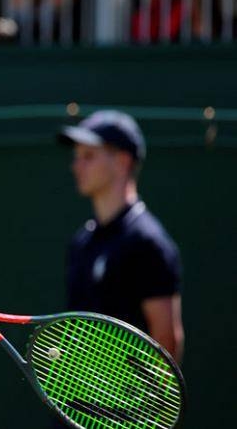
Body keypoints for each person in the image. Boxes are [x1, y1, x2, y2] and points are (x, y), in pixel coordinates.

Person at [57, 110, 185, 364]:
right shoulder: (82, 243)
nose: (76, 166)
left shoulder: (148, 243)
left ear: (122, 162)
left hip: (132, 402)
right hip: (81, 400)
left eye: (89, 156)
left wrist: (140, 402)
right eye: (77, 157)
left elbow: (166, 344)